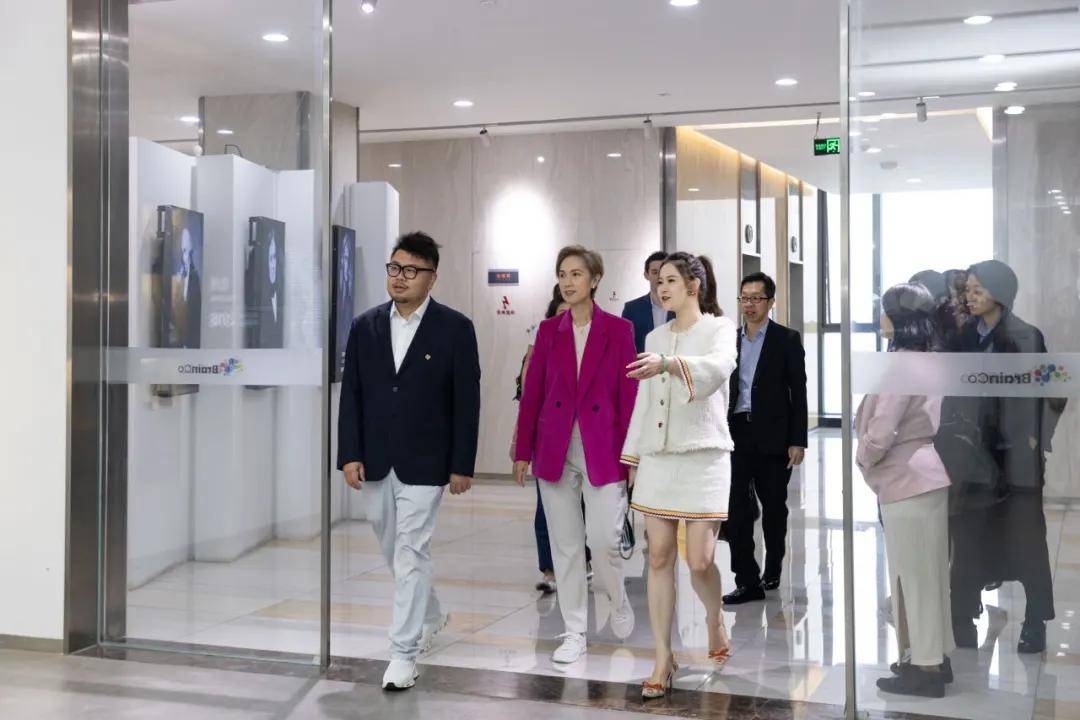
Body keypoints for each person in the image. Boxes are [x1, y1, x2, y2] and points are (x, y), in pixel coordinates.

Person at [337, 231, 481, 691]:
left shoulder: (455, 328)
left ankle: (403, 653)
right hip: (376, 458)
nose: (400, 277)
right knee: (391, 547)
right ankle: (432, 613)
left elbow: (467, 401)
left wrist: (462, 464)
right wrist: (349, 453)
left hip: (426, 459)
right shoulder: (365, 326)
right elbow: (352, 395)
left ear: (431, 277)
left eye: (412, 270)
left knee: (411, 549)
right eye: (395, 268)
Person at [620, 251, 738, 700]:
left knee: (700, 560)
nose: (661, 287)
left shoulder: (719, 329)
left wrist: (669, 364)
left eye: (671, 280)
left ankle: (713, 616)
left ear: (693, 285)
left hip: (704, 457)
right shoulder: (654, 335)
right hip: (659, 458)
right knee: (658, 557)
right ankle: (662, 657)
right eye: (658, 281)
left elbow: (717, 371)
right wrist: (632, 456)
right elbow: (644, 401)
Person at [513, 245, 638, 664]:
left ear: (595, 279)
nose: (567, 282)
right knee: (565, 546)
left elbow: (629, 397)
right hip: (555, 447)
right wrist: (523, 450)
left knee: (603, 540)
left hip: (603, 447)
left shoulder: (618, 330)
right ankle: (574, 631)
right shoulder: (549, 331)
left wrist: (633, 456)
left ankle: (617, 596)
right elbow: (533, 393)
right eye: (562, 274)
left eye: (576, 274)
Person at [945, 259, 1064, 654]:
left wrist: (1035, 440)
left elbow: (1051, 393)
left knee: (1027, 541)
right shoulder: (963, 337)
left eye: (977, 289)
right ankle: (963, 616)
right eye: (967, 289)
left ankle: (1035, 621)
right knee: (968, 538)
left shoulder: (1027, 336)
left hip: (1016, 461)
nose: (969, 296)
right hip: (972, 457)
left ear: (1000, 293)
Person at [856, 282, 954, 699]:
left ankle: (925, 668)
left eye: (883, 309)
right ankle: (933, 658)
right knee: (928, 576)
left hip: (905, 479)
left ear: (899, 317)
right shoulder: (929, 360)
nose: (879, 316)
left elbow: (882, 429)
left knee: (913, 578)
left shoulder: (900, 365)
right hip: (927, 476)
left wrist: (864, 456)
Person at [722, 272, 808, 604]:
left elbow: (798, 392)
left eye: (756, 298)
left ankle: (772, 568)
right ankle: (746, 580)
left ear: (771, 302)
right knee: (736, 509)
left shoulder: (786, 340)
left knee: (773, 507)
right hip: (736, 433)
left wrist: (797, 440)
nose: (749, 304)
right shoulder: (729, 340)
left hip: (774, 436)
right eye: (744, 298)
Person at [511, 284, 592, 595]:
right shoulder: (540, 347)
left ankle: (582, 561)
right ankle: (548, 568)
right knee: (545, 508)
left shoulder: (593, 343)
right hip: (550, 440)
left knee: (583, 507)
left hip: (586, 440)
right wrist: (520, 443)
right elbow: (528, 398)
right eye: (560, 314)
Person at [622, 250, 675, 353]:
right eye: (655, 272)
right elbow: (624, 346)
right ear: (646, 275)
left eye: (663, 271)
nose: (659, 277)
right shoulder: (632, 309)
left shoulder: (681, 308)